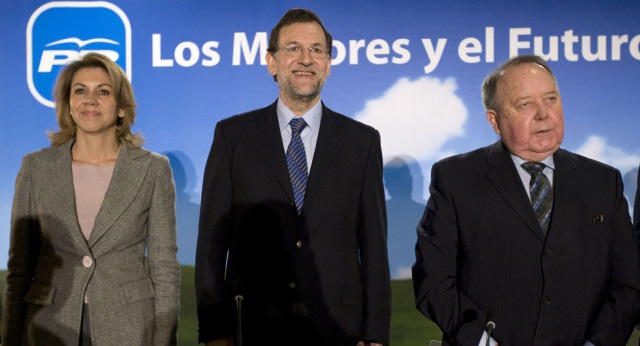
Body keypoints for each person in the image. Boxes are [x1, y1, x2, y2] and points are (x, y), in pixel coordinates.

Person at [412, 55, 640, 345]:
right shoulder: (455, 178)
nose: (544, 114)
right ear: (494, 120)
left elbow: (628, 285)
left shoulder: (603, 182)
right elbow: (433, 282)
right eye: (526, 104)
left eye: (551, 99)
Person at [195, 8, 391, 346]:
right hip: (253, 324)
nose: (305, 59)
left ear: (328, 64)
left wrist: (374, 334)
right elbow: (212, 245)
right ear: (272, 63)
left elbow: (373, 245)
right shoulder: (233, 136)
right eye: (293, 48)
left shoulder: (363, 141)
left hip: (339, 326)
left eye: (316, 50)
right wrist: (215, 331)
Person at [2, 53, 180, 345]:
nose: (90, 99)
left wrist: (163, 339)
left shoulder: (153, 169)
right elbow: (20, 266)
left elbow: (164, 267)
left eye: (104, 91)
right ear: (68, 104)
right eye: (80, 90)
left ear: (121, 108)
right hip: (49, 325)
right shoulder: (36, 167)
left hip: (129, 326)